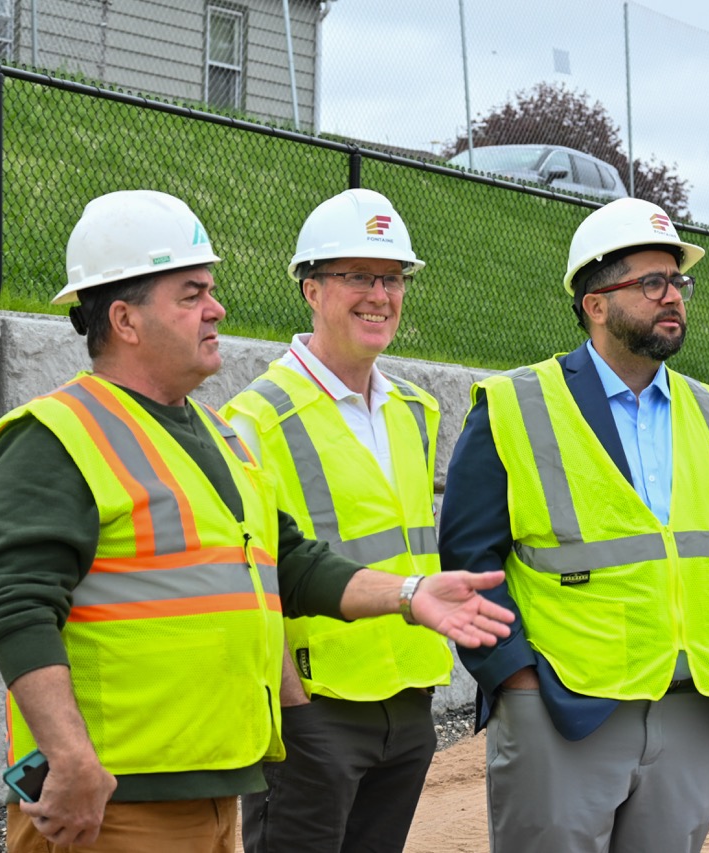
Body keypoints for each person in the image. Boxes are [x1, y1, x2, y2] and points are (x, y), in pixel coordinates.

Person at [0, 189, 514, 853]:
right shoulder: (56, 436)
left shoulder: (214, 436)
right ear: (126, 319)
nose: (217, 308)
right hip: (112, 797)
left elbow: (292, 562)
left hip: (213, 786)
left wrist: (408, 594)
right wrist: (71, 758)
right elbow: (14, 607)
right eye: (193, 293)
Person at [438, 197, 709, 853]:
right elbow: (471, 564)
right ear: (595, 303)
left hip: (690, 708)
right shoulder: (516, 405)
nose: (672, 297)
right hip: (562, 712)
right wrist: (518, 684)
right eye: (652, 283)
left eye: (679, 282)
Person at [223, 188, 450, 853]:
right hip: (316, 710)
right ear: (312, 289)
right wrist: (291, 705)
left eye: (392, 278)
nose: (380, 294)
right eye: (358, 277)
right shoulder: (255, 418)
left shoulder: (415, 409)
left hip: (408, 701)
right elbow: (251, 576)